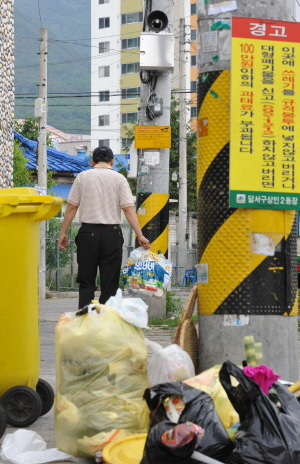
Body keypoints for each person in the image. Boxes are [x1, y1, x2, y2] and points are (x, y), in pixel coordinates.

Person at [58, 146, 150, 308]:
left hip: (87, 233)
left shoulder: (82, 177)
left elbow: (72, 207)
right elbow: (128, 208)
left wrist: (63, 233)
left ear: (92, 161)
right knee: (110, 281)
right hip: (111, 234)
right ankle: (106, 320)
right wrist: (140, 235)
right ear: (112, 161)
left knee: (86, 280)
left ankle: (86, 318)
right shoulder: (119, 178)